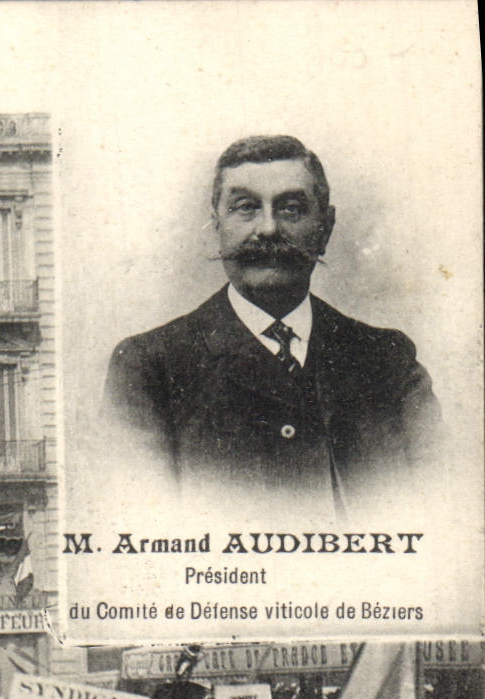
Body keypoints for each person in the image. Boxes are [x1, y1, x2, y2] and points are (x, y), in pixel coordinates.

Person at [103, 134, 439, 510]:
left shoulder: (387, 361)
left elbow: (438, 511)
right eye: (245, 207)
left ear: (325, 228)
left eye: (291, 209)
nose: (267, 229)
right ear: (217, 226)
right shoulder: (148, 369)